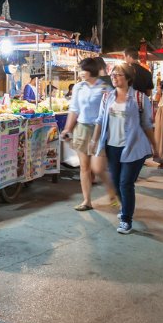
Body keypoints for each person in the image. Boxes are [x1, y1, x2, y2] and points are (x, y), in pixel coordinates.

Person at [89, 64, 156, 234]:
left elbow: (147, 124)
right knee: (117, 183)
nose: (114, 78)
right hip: (112, 146)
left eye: (118, 75)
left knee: (126, 183)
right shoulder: (107, 97)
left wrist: (155, 144)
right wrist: (94, 140)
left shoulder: (140, 98)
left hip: (133, 147)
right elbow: (99, 120)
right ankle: (125, 207)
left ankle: (126, 219)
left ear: (128, 78)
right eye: (113, 75)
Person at [61, 57, 115, 211]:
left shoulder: (105, 87)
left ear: (91, 70)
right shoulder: (78, 87)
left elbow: (112, 111)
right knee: (84, 167)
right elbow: (74, 110)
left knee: (98, 168)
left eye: (83, 70)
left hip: (100, 131)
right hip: (82, 129)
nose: (81, 73)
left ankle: (112, 188)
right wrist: (67, 129)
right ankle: (87, 201)